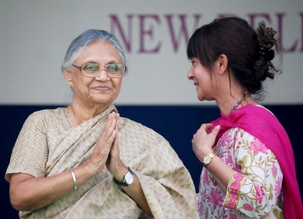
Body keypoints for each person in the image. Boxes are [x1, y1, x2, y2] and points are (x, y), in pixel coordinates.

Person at [5, 29, 199, 219]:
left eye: (114, 68)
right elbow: (20, 195)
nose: (104, 76)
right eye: (91, 67)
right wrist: (88, 169)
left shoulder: (146, 140)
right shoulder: (42, 123)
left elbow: (178, 208)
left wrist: (123, 174)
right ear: (68, 75)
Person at [186, 17, 303, 219]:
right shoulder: (229, 130)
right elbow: (212, 205)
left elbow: (260, 202)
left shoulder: (254, 129)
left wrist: (207, 156)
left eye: (194, 63)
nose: (189, 74)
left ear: (221, 63)